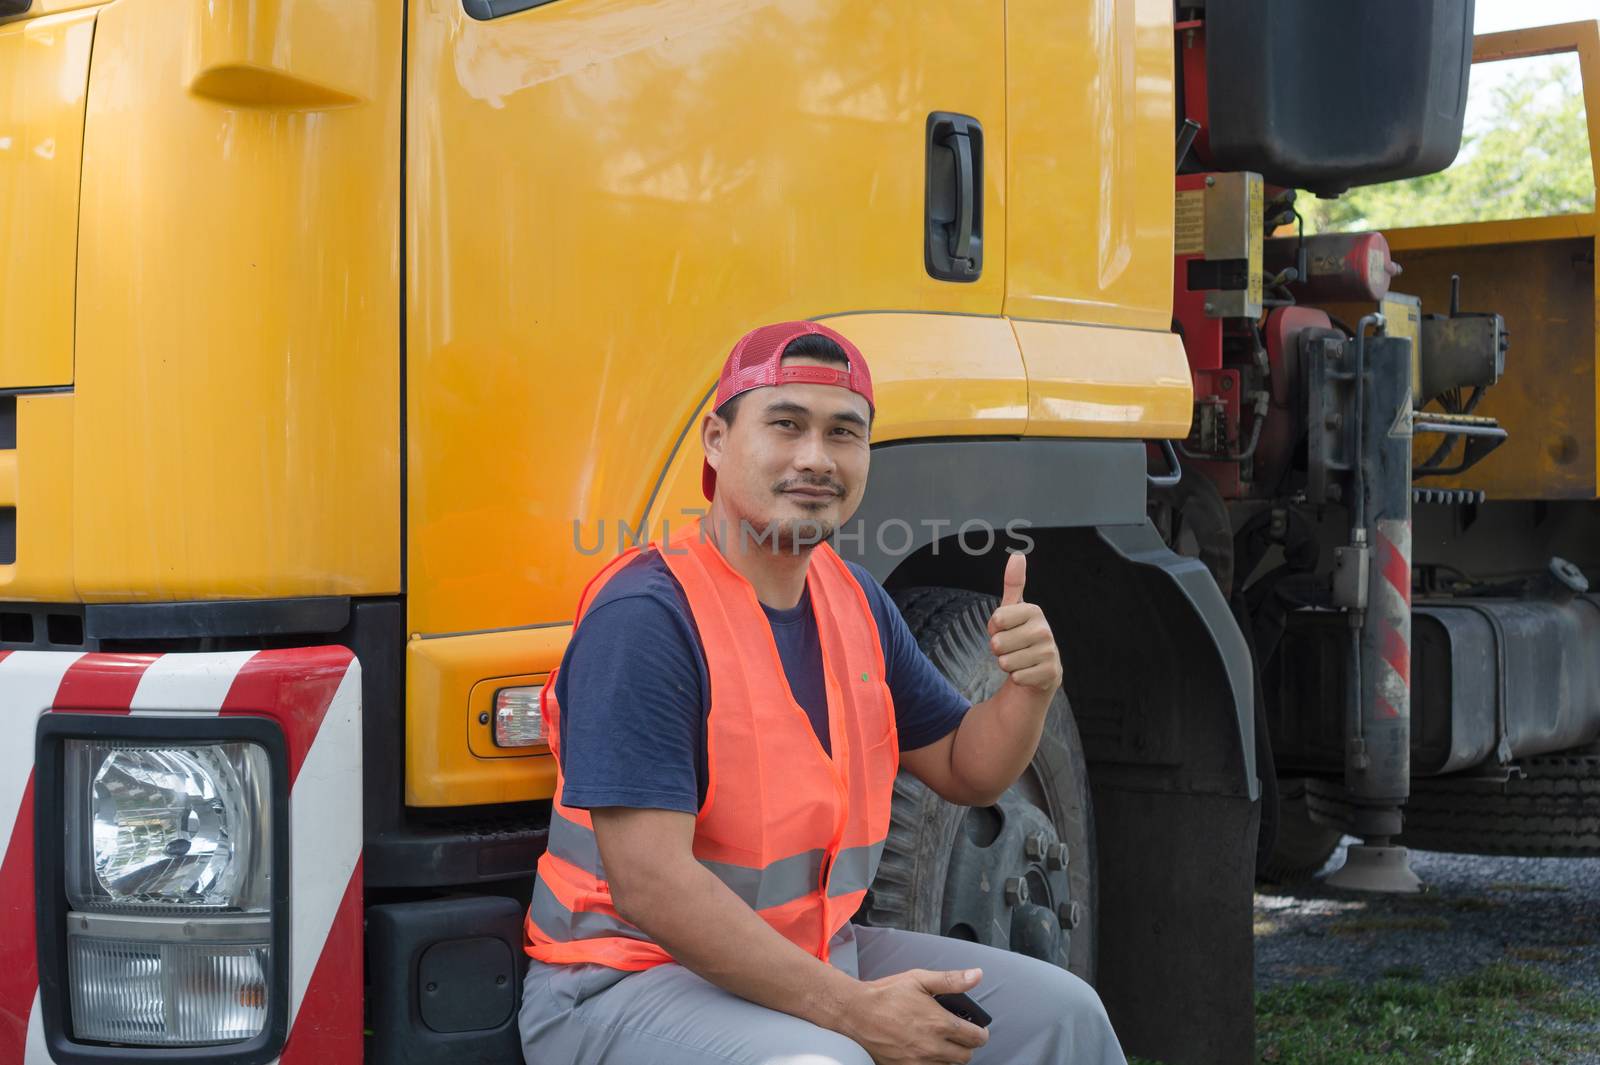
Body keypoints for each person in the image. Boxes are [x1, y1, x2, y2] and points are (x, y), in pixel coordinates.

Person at [519, 321, 1126, 1065]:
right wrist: (855, 1013)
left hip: (811, 958)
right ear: (716, 440)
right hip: (621, 984)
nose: (816, 457)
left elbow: (969, 767)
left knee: (1068, 1016)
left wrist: (1029, 688)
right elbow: (650, 884)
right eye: (786, 425)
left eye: (844, 432)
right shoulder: (647, 616)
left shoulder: (855, 603)